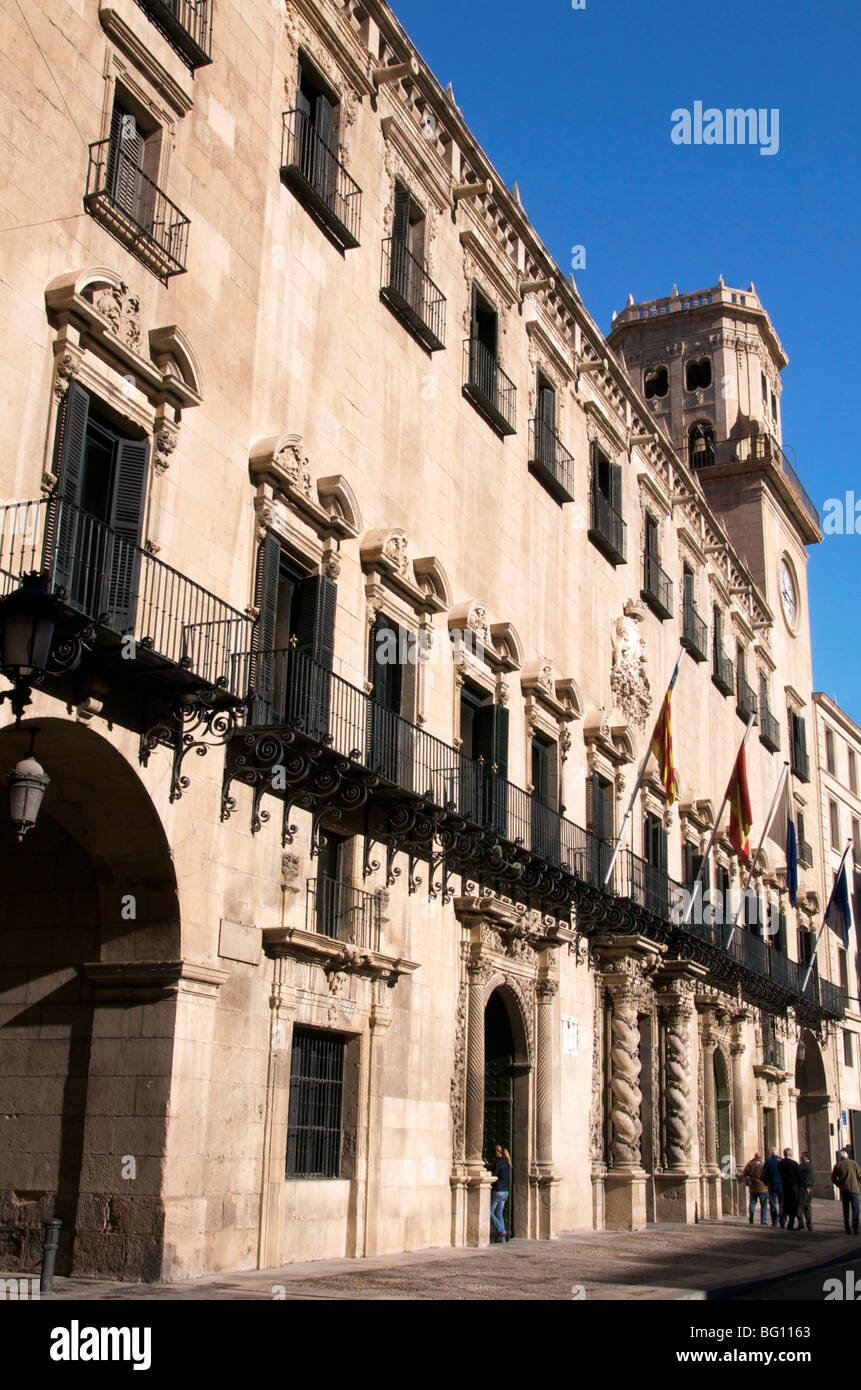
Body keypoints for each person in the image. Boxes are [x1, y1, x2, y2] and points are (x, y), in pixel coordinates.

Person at [831, 1148, 861, 1235]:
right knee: (855, 1209)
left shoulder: (838, 1165)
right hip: (854, 1189)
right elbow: (859, 1175)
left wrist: (839, 1185)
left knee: (846, 1209)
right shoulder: (853, 1163)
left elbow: (833, 1178)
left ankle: (847, 1228)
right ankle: (855, 1227)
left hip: (844, 1190)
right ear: (847, 1156)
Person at [487, 1143, 512, 1243]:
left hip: (498, 1191)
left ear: (498, 1152)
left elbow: (494, 1174)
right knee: (499, 1213)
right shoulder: (507, 1162)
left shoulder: (499, 1162)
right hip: (505, 1192)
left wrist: (489, 1166)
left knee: (489, 1212)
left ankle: (501, 1231)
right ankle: (503, 1239)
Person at [777, 1148, 804, 1230]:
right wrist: (802, 1185)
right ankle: (790, 1223)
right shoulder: (794, 1164)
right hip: (794, 1187)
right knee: (794, 1205)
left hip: (784, 1186)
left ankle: (783, 1219)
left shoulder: (781, 1163)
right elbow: (799, 1176)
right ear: (791, 1154)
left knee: (785, 1204)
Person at [742, 1152, 768, 1225]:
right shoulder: (763, 1165)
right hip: (762, 1187)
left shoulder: (750, 1164)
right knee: (763, 1205)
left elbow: (744, 1174)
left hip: (753, 1187)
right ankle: (763, 1221)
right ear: (760, 1157)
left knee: (753, 1203)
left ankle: (751, 1216)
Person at [761, 1148, 784, 1227]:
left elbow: (764, 1173)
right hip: (781, 1184)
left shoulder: (768, 1161)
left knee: (773, 1202)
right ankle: (782, 1218)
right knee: (781, 1202)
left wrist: (766, 1182)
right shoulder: (781, 1160)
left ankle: (774, 1221)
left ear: (771, 1153)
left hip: (772, 1184)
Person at [798, 1151, 815, 1231]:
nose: (801, 1158)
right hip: (810, 1187)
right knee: (808, 1206)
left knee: (800, 1206)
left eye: (802, 1156)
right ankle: (809, 1225)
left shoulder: (804, 1165)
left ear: (806, 1157)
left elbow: (797, 1170)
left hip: (805, 1188)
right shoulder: (810, 1165)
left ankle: (801, 1223)